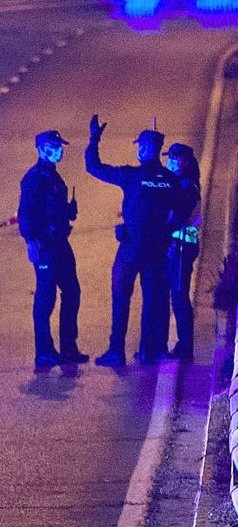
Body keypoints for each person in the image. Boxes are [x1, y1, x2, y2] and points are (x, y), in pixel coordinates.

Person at [85, 116, 183, 366]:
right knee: (151, 299)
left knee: (121, 297)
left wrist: (94, 138)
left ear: (144, 149)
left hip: (131, 249)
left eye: (140, 146)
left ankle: (116, 351)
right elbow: (180, 213)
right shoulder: (171, 181)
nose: (138, 149)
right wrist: (165, 233)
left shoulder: (131, 176)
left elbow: (94, 167)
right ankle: (147, 351)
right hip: (157, 250)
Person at [18, 129, 87, 369]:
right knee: (45, 298)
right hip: (45, 245)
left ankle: (69, 347)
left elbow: (52, 209)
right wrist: (30, 241)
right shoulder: (34, 178)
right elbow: (25, 213)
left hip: (60, 243)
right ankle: (44, 351)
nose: (58, 151)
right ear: (40, 149)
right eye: (53, 146)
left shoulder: (54, 177)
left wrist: (68, 211)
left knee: (72, 292)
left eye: (59, 146)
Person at [164, 143, 201, 362]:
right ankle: (183, 344)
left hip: (182, 248)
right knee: (176, 296)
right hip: (179, 248)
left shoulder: (188, 187)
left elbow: (177, 219)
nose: (170, 162)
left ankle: (186, 347)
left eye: (174, 158)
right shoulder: (180, 183)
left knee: (179, 297)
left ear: (185, 161)